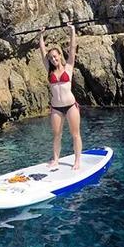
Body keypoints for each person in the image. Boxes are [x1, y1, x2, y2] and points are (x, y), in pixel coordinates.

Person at [39, 23, 82, 170]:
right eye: (51, 58)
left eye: (55, 57)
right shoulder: (49, 70)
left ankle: (77, 161)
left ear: (59, 56)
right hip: (56, 108)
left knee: (75, 134)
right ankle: (56, 159)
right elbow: (42, 51)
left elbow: (72, 49)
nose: (53, 59)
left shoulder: (68, 67)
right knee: (57, 135)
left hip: (70, 106)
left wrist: (72, 31)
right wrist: (41, 35)